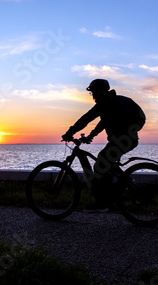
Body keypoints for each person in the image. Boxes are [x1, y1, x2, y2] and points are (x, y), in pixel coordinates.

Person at [62, 79, 146, 213]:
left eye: (94, 91)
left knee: (101, 163)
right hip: (126, 139)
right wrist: (91, 135)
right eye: (92, 92)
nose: (93, 95)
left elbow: (86, 119)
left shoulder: (106, 103)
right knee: (107, 165)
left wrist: (69, 133)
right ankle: (112, 197)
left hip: (124, 140)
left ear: (102, 90)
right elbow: (103, 122)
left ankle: (103, 203)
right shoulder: (111, 103)